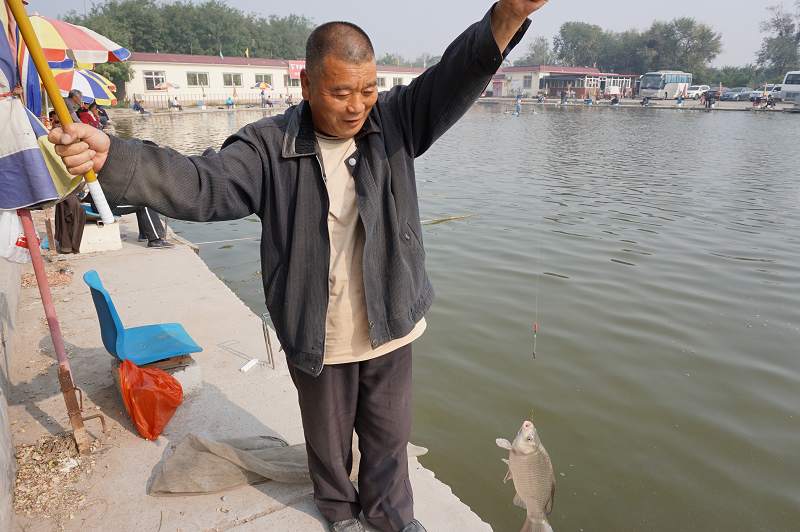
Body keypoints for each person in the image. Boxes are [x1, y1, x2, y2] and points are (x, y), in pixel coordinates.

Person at [48, 2, 544, 530]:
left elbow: (457, 72)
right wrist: (116, 158)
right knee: (328, 442)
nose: (357, 106)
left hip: (390, 317)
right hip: (318, 326)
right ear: (306, 84)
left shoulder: (396, 120)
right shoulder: (268, 146)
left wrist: (508, 14)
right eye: (341, 92)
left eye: (367, 89)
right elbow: (203, 183)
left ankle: (391, 517)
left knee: (389, 437)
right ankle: (340, 511)